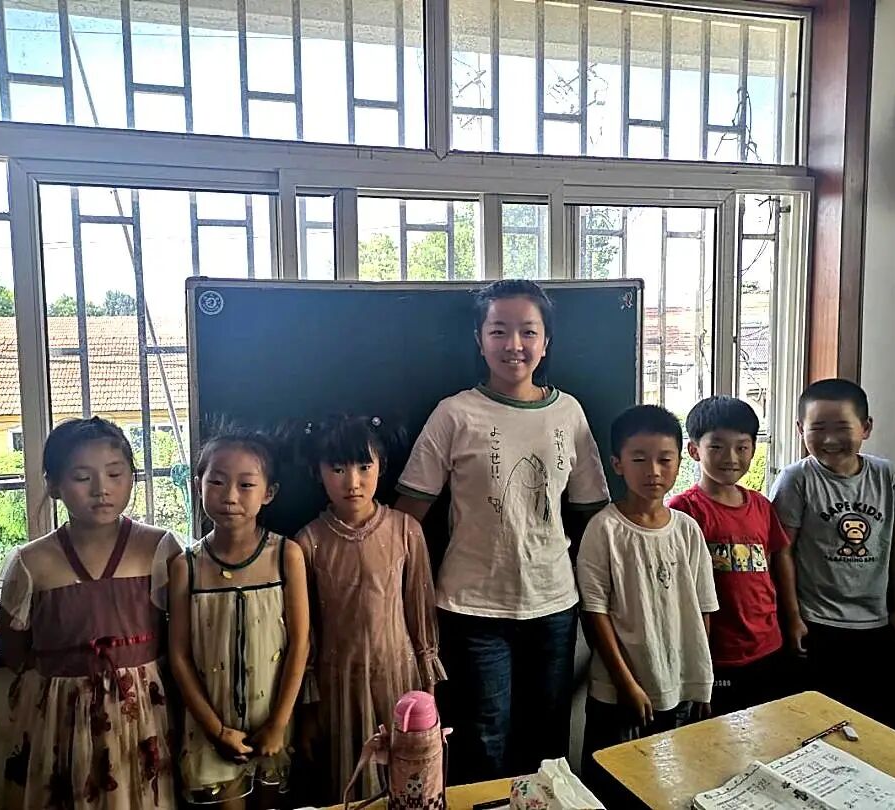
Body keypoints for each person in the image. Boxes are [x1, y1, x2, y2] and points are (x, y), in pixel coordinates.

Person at [395, 279, 610, 781]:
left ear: (546, 341)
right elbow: (407, 518)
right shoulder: (454, 413)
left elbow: (594, 516)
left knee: (548, 740)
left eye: (528, 332)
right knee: (483, 741)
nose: (514, 344)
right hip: (472, 609)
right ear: (479, 339)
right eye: (499, 331)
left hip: (553, 604)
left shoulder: (569, 413)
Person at [0, 416, 182, 810]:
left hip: (142, 716)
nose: (102, 489)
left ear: (132, 476)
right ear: (54, 485)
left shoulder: (159, 549)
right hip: (60, 720)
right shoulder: (32, 562)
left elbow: (183, 638)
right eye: (82, 477)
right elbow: (13, 652)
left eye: (115, 474)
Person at [295, 415, 443, 803]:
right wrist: (308, 711)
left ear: (381, 466)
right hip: (338, 684)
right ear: (318, 472)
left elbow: (420, 614)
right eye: (338, 469)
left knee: (408, 780)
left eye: (364, 467)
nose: (353, 482)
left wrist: (428, 692)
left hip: (400, 678)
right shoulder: (308, 542)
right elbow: (305, 632)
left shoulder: (406, 531)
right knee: (349, 779)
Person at [168, 428, 310, 808]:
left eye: (246, 485)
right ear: (197, 484)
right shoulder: (185, 567)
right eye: (216, 481)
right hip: (209, 731)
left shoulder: (286, 556)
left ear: (269, 492)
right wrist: (216, 731)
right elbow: (179, 656)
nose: (230, 496)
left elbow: (300, 644)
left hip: (272, 728)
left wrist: (278, 724)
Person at [576, 405, 718, 768]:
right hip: (618, 692)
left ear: (679, 463)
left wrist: (700, 680)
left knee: (670, 777)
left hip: (678, 687)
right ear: (617, 464)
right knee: (611, 779)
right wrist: (626, 683)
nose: (653, 471)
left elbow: (702, 608)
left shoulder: (687, 529)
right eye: (639, 459)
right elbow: (594, 613)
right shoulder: (604, 529)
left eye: (664, 460)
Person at [769, 379, 895, 719]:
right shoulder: (797, 479)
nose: (830, 439)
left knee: (871, 717)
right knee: (814, 717)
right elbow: (782, 551)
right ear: (800, 429)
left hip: (875, 621)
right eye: (818, 428)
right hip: (815, 621)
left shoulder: (887, 476)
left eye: (842, 428)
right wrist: (792, 617)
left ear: (866, 428)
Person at [669, 396, 803, 715]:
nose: (730, 457)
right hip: (715, 654)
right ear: (694, 450)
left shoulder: (761, 506)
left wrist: (794, 619)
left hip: (767, 645)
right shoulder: (683, 509)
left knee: (765, 728)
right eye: (716, 447)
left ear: (753, 450)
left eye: (742, 447)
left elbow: (778, 563)